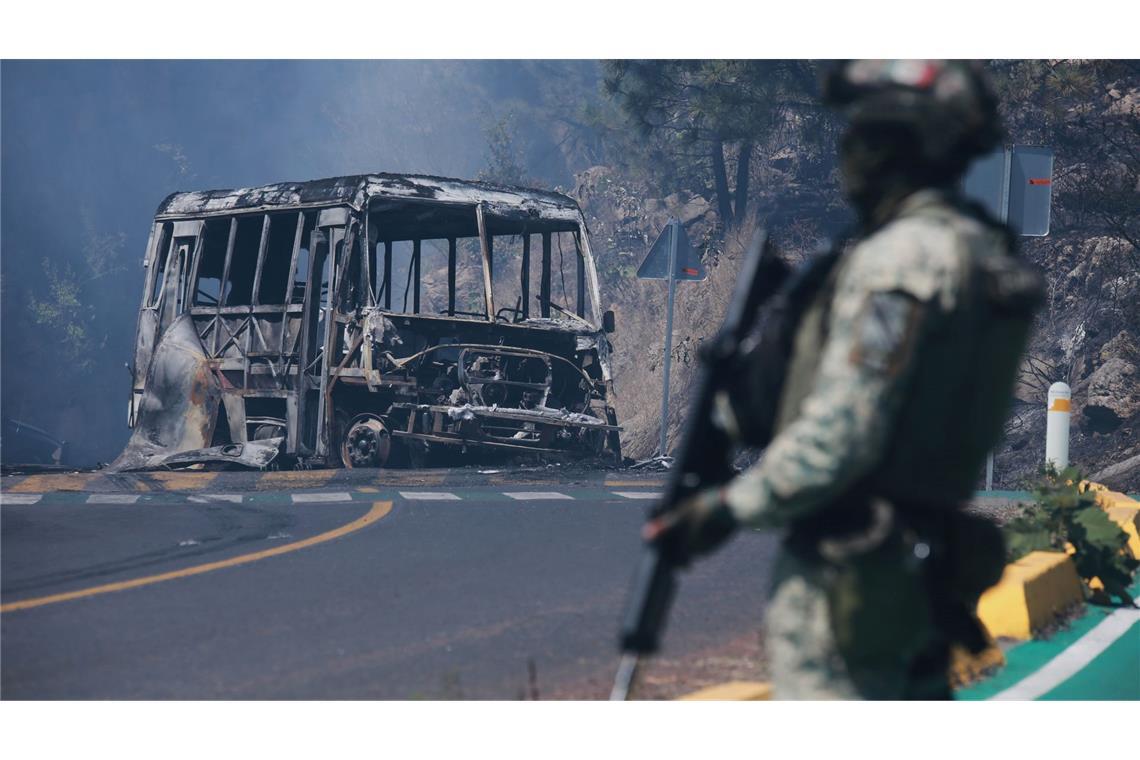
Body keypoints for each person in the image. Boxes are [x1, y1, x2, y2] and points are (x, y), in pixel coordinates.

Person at [645, 60, 1041, 699]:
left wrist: (725, 508)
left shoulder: (900, 263)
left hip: (852, 579)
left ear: (896, 146)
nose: (849, 154)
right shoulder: (983, 252)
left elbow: (844, 433)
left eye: (864, 134)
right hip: (922, 569)